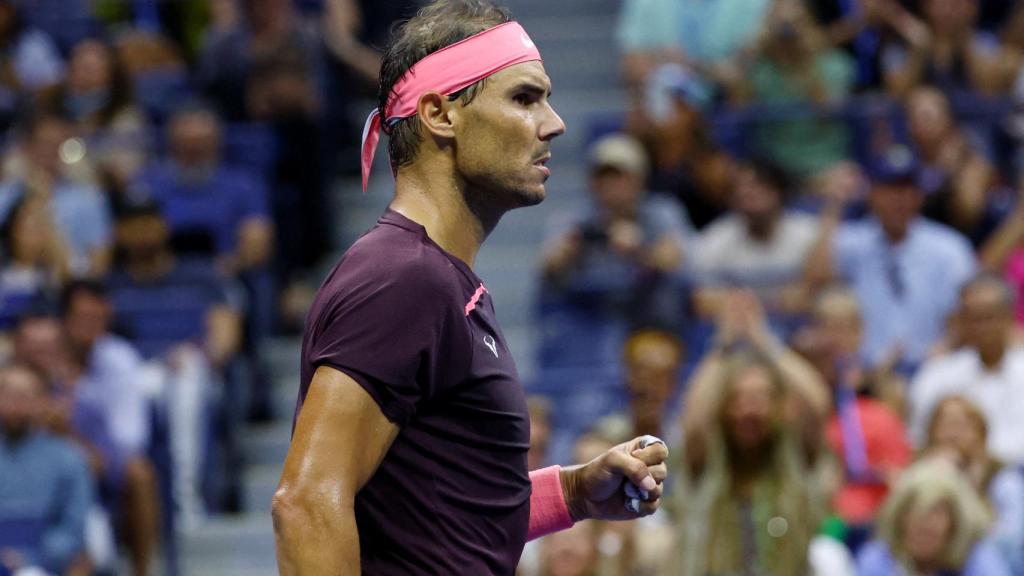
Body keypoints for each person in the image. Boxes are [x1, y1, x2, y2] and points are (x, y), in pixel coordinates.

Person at [273, 2, 670, 573]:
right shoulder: (403, 279)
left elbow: (442, 518)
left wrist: (577, 492)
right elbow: (306, 504)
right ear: (440, 114)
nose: (553, 123)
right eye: (524, 98)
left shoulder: (432, 279)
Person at [672, 290, 831, 576]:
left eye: (760, 397)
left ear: (778, 406)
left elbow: (817, 402)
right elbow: (693, 418)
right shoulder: (710, 459)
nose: (750, 410)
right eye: (739, 398)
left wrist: (765, 341)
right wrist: (724, 344)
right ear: (724, 408)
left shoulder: (793, 453)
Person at [803, 156, 976, 370]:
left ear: (920, 196)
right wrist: (834, 204)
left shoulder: (949, 247)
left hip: (933, 365)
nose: (899, 200)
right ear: (872, 194)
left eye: (907, 190)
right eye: (890, 190)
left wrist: (944, 350)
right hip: (862, 369)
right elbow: (812, 284)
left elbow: (967, 312)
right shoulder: (851, 240)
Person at [691, 159, 819, 330]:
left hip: (796, 329)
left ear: (779, 191)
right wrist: (773, 303)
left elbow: (814, 295)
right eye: (740, 187)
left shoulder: (808, 233)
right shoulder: (716, 238)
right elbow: (703, 302)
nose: (748, 192)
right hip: (735, 330)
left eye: (758, 185)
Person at [909, 273, 1024, 464]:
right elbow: (918, 437)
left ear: (1009, 317)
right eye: (974, 318)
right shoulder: (937, 373)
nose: (983, 327)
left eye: (990, 317)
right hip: (951, 473)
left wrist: (982, 456)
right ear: (961, 321)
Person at [0, 363, 94, 576]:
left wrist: (30, 557)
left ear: (42, 402)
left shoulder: (68, 458)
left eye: (23, 397)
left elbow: (73, 527)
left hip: (44, 566)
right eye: (7, 396)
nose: (15, 406)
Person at [855, 456, 1011, 575]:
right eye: (915, 510)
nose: (925, 523)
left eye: (937, 512)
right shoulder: (876, 559)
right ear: (899, 517)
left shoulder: (979, 559)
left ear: (955, 523)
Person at [924, 395, 1024, 573]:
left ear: (980, 435)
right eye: (944, 426)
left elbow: (1008, 546)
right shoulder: (917, 478)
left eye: (961, 427)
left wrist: (962, 486)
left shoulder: (1004, 481)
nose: (952, 435)